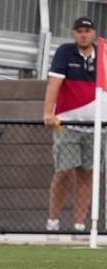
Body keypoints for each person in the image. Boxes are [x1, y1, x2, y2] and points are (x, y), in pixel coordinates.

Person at [43, 17, 101, 232]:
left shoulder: (102, 54)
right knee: (64, 171)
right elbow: (54, 83)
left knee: (87, 174)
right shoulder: (65, 52)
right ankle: (53, 221)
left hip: (96, 127)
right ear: (74, 33)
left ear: (93, 33)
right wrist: (48, 113)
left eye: (87, 30)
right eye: (79, 31)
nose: (83, 34)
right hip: (67, 124)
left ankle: (79, 224)